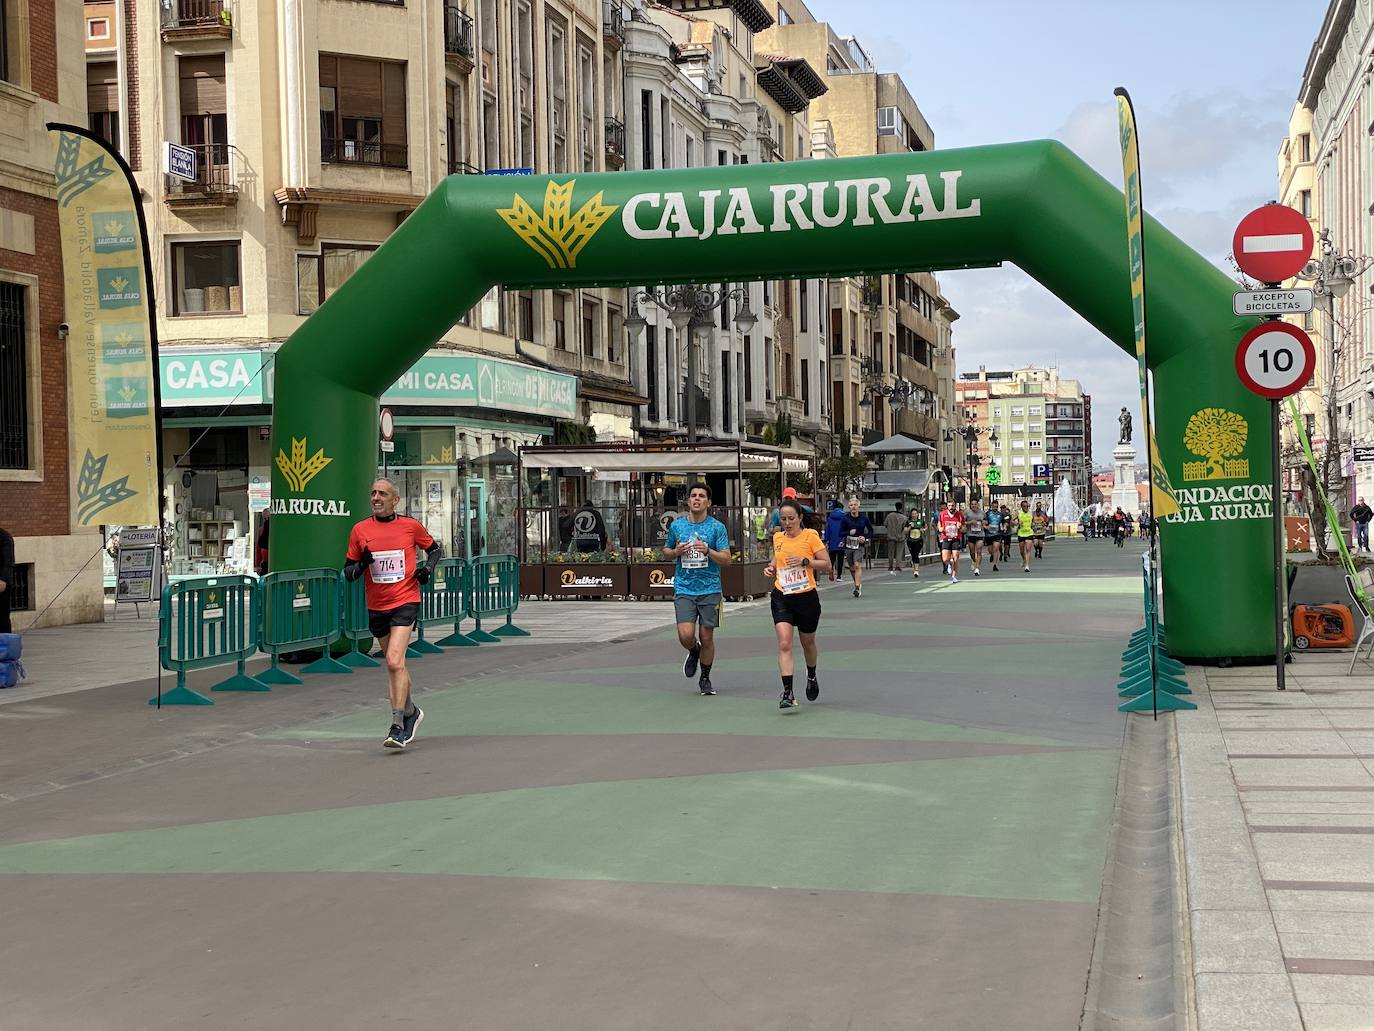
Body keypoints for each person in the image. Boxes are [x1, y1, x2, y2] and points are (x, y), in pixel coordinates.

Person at [343, 478, 443, 750]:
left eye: (382, 494)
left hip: (405, 599)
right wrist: (362, 564)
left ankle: (397, 725)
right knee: (394, 666)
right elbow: (348, 573)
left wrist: (427, 570)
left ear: (394, 500)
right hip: (377, 605)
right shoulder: (360, 530)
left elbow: (434, 549)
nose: (376, 497)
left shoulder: (410, 526)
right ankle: (411, 712)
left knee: (394, 661)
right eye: (373, 492)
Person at [663, 482, 732, 696]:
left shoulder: (716, 527)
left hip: (710, 588)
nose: (697, 499)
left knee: (707, 636)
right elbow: (665, 550)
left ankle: (705, 677)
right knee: (685, 635)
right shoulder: (677, 526)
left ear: (708, 502)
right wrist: (675, 552)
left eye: (702, 496)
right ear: (688, 500)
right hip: (684, 587)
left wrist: (708, 550)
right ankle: (694, 650)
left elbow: (727, 559)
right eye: (693, 495)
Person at [763, 499, 830, 710]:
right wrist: (771, 567)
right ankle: (788, 692)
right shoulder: (778, 537)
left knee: (807, 642)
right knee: (784, 643)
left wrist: (805, 561)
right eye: (783, 519)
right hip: (782, 596)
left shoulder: (811, 536)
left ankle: (811, 674)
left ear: (800, 517)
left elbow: (826, 565)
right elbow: (777, 556)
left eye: (791, 518)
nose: (787, 523)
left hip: (806, 598)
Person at [836, 497, 874, 597]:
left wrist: (864, 537)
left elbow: (871, 531)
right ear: (849, 507)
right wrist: (849, 532)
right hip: (849, 545)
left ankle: (857, 587)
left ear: (858, 506)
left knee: (857, 565)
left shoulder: (864, 518)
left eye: (855, 505)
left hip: (860, 545)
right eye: (851, 505)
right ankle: (857, 584)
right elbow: (840, 533)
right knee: (852, 567)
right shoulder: (845, 518)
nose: (853, 507)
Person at [937, 498, 965, 583]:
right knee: (945, 559)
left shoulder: (959, 515)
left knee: (956, 557)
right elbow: (939, 524)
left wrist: (961, 527)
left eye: (952, 506)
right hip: (946, 538)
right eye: (949, 506)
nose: (951, 507)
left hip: (956, 538)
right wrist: (941, 529)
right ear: (947, 506)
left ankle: (954, 576)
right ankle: (949, 564)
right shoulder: (942, 514)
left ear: (955, 506)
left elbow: (964, 529)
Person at [823, 499, 847, 581]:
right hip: (841, 540)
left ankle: (830, 571)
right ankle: (839, 576)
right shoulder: (845, 517)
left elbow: (827, 529)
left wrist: (827, 540)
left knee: (831, 558)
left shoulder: (830, 517)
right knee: (840, 559)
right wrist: (844, 540)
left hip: (832, 541)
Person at [883, 501, 907, 573]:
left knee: (890, 552)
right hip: (900, 537)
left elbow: (885, 524)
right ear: (901, 508)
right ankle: (897, 566)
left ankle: (890, 566)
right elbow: (905, 527)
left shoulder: (889, 515)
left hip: (891, 536)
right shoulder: (904, 517)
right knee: (899, 552)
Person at [904, 505, 927, 578]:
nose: (914, 515)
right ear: (911, 514)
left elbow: (926, 527)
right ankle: (915, 568)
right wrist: (909, 527)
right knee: (913, 555)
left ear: (917, 514)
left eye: (915, 513)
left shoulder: (921, 521)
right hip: (910, 541)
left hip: (919, 540)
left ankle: (916, 570)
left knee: (916, 554)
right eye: (912, 514)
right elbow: (905, 531)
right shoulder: (908, 521)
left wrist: (923, 530)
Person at [964, 501, 986, 576]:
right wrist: (970, 522)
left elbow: (986, 521)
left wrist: (984, 522)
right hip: (970, 534)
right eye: (972, 504)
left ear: (978, 505)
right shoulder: (967, 513)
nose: (974, 506)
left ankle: (977, 568)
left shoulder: (982, 513)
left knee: (979, 551)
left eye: (975, 504)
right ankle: (974, 561)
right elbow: (963, 522)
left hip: (980, 534)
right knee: (972, 552)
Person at [0, 523, 13, 634]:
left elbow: (8, 561)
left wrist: (3, 579)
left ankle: (5, 647)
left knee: (2, 617)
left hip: (1, 583)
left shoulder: (4, 537)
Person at [1015, 498, 1035, 573]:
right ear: (1021, 507)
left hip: (1029, 533)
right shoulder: (1019, 514)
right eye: (1024, 506)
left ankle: (1027, 565)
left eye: (1027, 506)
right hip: (1021, 533)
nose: (1026, 508)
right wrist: (1016, 523)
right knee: (1021, 551)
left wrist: (1033, 524)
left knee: (1028, 549)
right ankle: (1024, 559)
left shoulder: (1031, 513)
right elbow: (1012, 522)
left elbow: (1033, 522)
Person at [985, 503, 1004, 572]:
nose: (995, 508)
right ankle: (992, 555)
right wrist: (986, 527)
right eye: (993, 507)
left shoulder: (1000, 514)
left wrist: (1004, 527)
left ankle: (995, 565)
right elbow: (984, 522)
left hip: (997, 534)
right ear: (991, 506)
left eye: (996, 507)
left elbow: (1003, 523)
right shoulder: (987, 514)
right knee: (990, 550)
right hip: (989, 534)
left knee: (996, 548)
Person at [254, 511, 270, 576]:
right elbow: (258, 548)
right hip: (264, 563)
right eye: (265, 519)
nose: (266, 520)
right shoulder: (261, 530)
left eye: (268, 518)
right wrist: (257, 565)